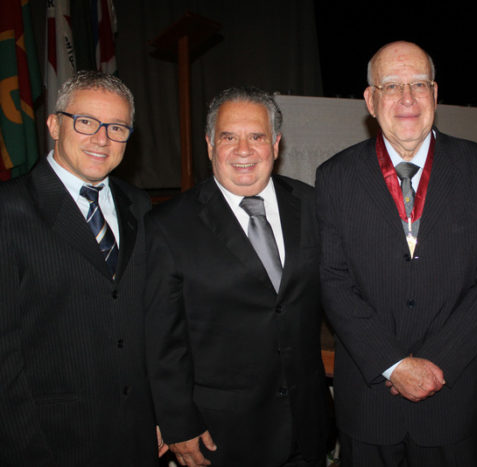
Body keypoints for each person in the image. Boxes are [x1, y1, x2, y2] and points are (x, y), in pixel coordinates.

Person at [315, 41, 477, 466]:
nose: (407, 98)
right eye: (391, 86)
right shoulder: (335, 177)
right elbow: (333, 281)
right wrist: (392, 364)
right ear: (371, 100)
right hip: (370, 401)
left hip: (452, 398)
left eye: (418, 84)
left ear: (436, 95)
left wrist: (436, 362)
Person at [145, 86, 330, 467]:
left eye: (257, 137)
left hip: (308, 424)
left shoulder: (313, 206)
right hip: (222, 436)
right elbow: (162, 340)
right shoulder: (168, 225)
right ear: (210, 144)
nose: (243, 150)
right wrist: (178, 423)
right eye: (229, 137)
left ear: (276, 144)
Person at [0, 71, 162, 466]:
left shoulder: (138, 205)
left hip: (138, 438)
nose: (102, 138)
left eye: (117, 127)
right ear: (55, 124)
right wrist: (25, 449)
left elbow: (149, 320)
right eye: (87, 121)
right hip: (50, 443)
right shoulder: (8, 210)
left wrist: (162, 414)